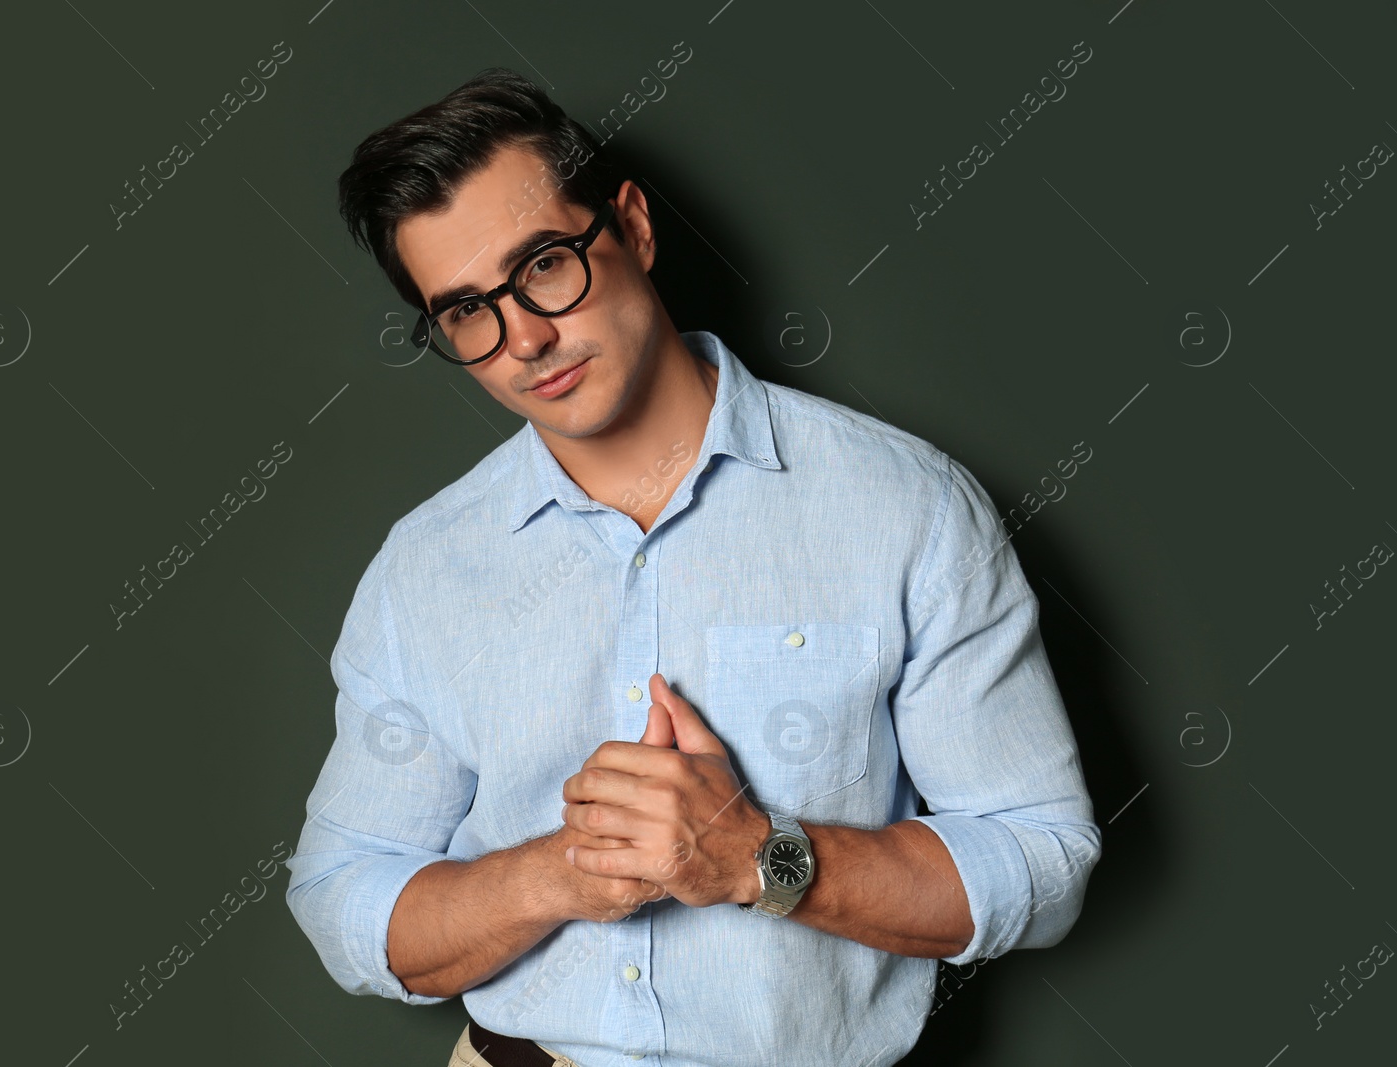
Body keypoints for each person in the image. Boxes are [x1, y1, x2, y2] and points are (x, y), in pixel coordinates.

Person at [284, 67, 1101, 1067]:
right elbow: (343, 893)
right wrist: (556, 872)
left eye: (543, 263)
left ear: (630, 227)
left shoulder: (906, 508)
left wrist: (763, 857)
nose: (523, 339)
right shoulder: (425, 566)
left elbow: (1043, 859)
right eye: (465, 311)